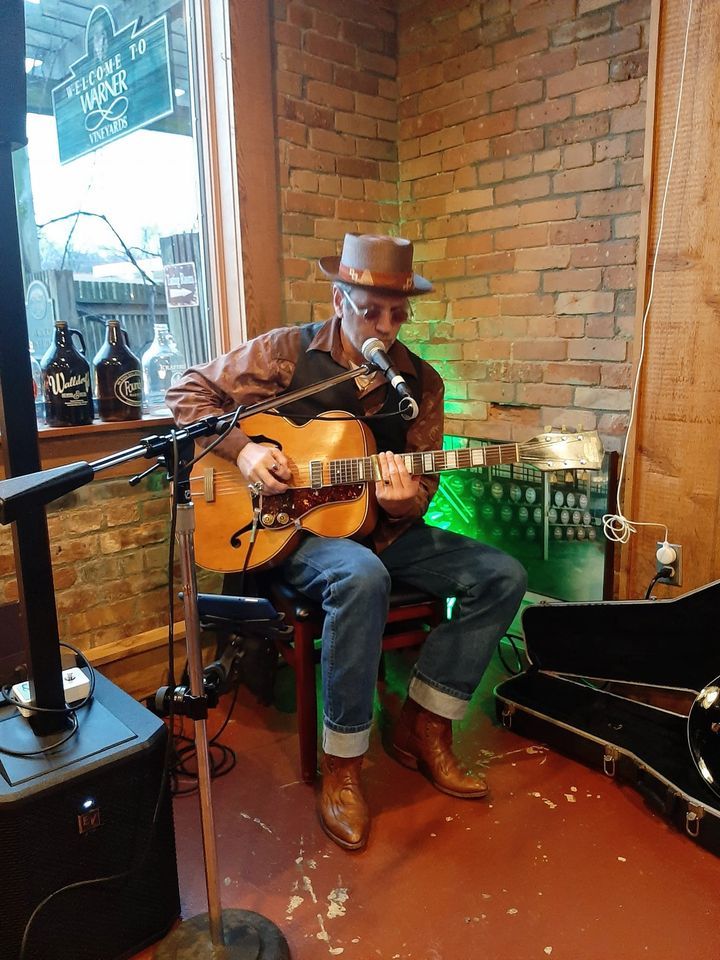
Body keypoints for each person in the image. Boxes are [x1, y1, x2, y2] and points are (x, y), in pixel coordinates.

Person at [165, 234, 527, 851]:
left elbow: (422, 487)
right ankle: (344, 765)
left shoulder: (421, 383)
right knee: (361, 576)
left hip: (380, 530)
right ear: (338, 298)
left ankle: (425, 724)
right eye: (369, 311)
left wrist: (403, 500)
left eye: (397, 314)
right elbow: (186, 394)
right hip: (293, 535)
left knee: (502, 574)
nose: (384, 327)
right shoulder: (285, 353)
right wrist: (246, 449)